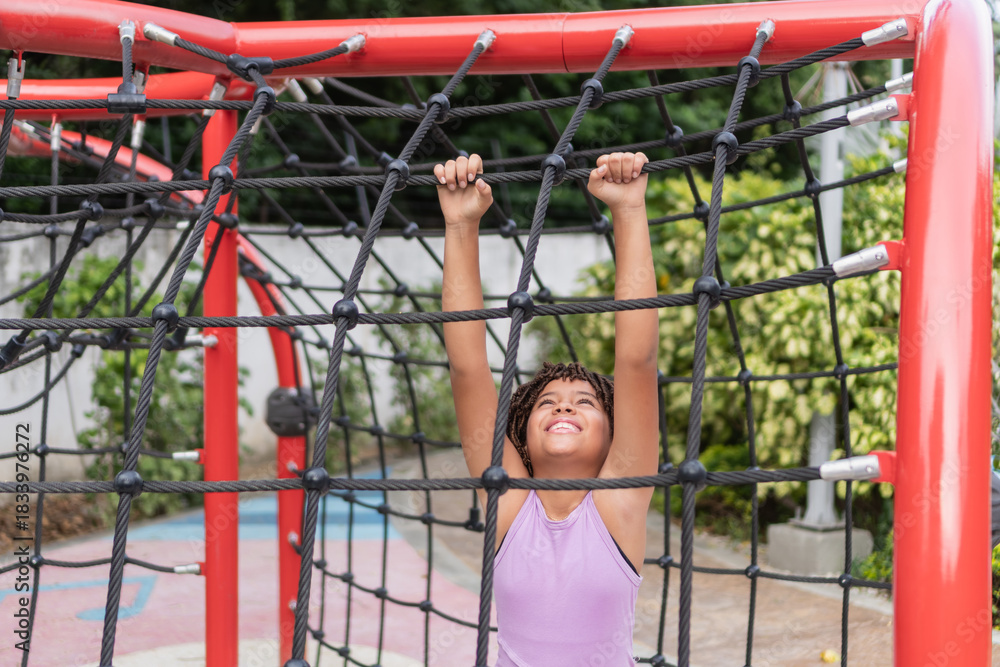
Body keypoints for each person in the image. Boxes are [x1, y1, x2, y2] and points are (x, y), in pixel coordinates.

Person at [438, 151, 659, 666]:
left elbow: (637, 359)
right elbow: (468, 369)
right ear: (522, 436)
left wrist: (628, 210)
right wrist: (460, 223)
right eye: (546, 403)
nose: (564, 405)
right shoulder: (510, 505)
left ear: (614, 438)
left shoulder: (619, 504)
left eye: (585, 402)